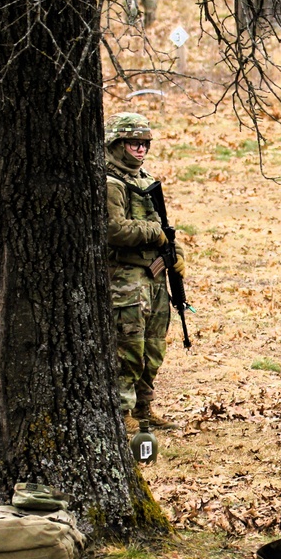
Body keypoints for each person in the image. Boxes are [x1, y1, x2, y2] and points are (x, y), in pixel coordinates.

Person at [105, 112, 183, 431]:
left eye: (145, 144)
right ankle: (121, 413)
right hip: (124, 278)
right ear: (117, 143)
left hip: (152, 276)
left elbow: (164, 225)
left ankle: (143, 407)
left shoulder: (144, 179)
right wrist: (155, 233)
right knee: (128, 346)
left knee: (153, 344)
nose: (140, 149)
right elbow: (113, 229)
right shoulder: (110, 182)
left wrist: (174, 254)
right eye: (133, 143)